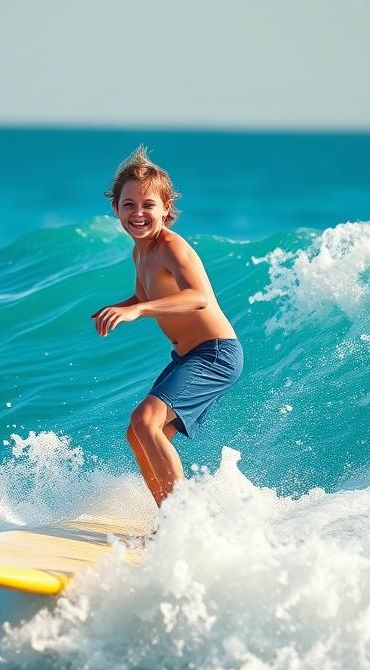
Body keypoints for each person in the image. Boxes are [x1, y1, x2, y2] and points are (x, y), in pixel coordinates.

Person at [91, 146, 244, 507]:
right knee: (139, 432)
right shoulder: (141, 252)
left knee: (145, 419)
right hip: (188, 355)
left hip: (215, 353)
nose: (138, 213)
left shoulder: (170, 247)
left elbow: (197, 298)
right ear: (116, 209)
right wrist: (121, 306)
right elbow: (143, 293)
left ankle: (181, 520)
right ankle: (167, 521)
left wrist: (138, 311)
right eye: (129, 205)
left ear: (166, 210)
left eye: (148, 205)